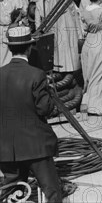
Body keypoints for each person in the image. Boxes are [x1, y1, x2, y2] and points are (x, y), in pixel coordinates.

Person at [0, 25, 62, 202]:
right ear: (29, 48)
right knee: (52, 192)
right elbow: (45, 109)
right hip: (36, 147)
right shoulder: (37, 75)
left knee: (11, 193)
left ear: (10, 48)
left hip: (5, 149)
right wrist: (49, 92)